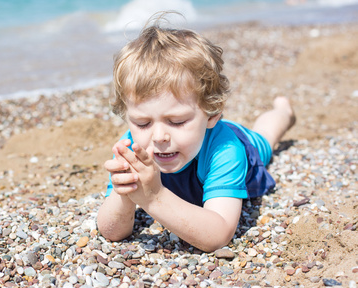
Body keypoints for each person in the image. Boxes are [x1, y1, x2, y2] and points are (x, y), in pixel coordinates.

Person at [96, 18, 295, 252]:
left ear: (211, 115)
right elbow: (111, 231)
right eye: (142, 123)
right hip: (205, 134)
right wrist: (124, 195)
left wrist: (153, 197)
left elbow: (217, 235)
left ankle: (283, 111)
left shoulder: (227, 151)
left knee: (266, 136)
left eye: (177, 121)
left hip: (236, 140)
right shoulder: (132, 148)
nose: (159, 136)